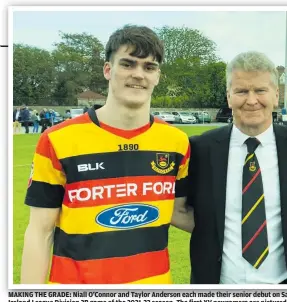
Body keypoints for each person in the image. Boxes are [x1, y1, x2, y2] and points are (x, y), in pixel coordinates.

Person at [21, 24, 191, 284]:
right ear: (108, 70)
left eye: (149, 67)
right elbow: (39, 232)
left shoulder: (177, 143)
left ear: (158, 76)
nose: (138, 74)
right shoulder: (56, 140)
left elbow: (179, 212)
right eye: (128, 64)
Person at [176, 51, 287, 284]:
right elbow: (176, 209)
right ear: (229, 96)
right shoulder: (201, 149)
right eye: (241, 91)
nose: (251, 100)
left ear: (275, 95)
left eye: (260, 90)